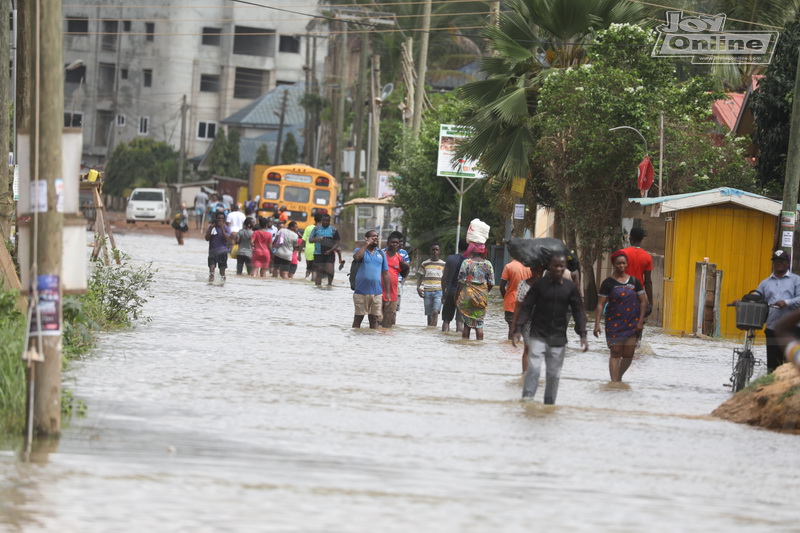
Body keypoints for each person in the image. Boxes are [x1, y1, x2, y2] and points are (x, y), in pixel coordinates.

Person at [513, 254, 588, 403]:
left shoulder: (570, 287)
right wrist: (517, 329)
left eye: (562, 266)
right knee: (533, 369)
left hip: (558, 338)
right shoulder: (539, 285)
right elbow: (526, 307)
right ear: (550, 267)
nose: (559, 269)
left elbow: (578, 310)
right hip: (538, 334)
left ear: (565, 267)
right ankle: (527, 400)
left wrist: (583, 334)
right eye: (555, 266)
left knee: (553, 374)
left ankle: (549, 403)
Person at [593, 250, 647, 382]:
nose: (621, 266)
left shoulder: (634, 281)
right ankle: (614, 382)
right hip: (614, 323)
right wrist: (597, 324)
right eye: (618, 263)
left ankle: (619, 377)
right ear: (613, 264)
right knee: (615, 353)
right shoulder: (608, 283)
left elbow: (643, 301)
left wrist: (640, 321)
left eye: (623, 263)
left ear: (627, 264)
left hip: (632, 323)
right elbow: (600, 304)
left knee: (628, 355)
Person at [756, 249, 800, 373]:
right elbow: (757, 297)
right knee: (772, 365)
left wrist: (786, 302)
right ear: (773, 263)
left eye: (781, 261)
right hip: (772, 328)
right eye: (776, 261)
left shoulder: (796, 280)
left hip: (793, 330)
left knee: (790, 365)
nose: (779, 263)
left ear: (787, 262)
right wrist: (744, 300)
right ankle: (772, 387)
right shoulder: (765, 283)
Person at [455, 242, 495, 340]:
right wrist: (484, 292)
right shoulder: (488, 264)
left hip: (467, 295)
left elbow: (460, 281)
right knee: (479, 325)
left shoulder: (466, 263)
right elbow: (491, 283)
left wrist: (456, 296)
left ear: (472, 250)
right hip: (481, 296)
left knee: (466, 326)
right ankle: (479, 350)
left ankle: (465, 348)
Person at [352, 230, 390, 329]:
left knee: (374, 319)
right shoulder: (359, 250)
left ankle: (373, 342)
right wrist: (366, 244)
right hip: (361, 292)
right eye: (373, 236)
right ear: (366, 238)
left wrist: (388, 293)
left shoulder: (381, 253)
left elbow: (385, 273)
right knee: (358, 318)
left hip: (377, 293)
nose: (375, 238)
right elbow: (356, 257)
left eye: (376, 236)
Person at [511, 266, 545, 373]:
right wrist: (514, 325)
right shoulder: (523, 284)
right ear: (531, 270)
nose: (538, 272)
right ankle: (524, 374)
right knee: (527, 347)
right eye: (536, 269)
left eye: (540, 270)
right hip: (527, 320)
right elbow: (518, 306)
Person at [620, 226, 653, 320]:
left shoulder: (622, 253)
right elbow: (648, 282)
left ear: (630, 238)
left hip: (622, 294)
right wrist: (650, 303)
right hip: (638, 296)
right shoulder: (647, 257)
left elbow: (616, 276)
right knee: (638, 324)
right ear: (641, 239)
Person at [381, 233, 409, 328]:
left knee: (389, 321)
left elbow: (404, 274)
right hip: (378, 292)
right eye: (393, 242)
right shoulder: (381, 255)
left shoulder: (400, 258)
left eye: (397, 243)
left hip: (393, 294)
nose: (395, 244)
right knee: (376, 320)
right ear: (387, 243)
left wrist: (407, 267)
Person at [500, 259, 532, 340]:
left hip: (511, 302)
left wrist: (506, 298)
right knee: (525, 330)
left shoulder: (509, 266)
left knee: (512, 328)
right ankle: (520, 350)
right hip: (525, 303)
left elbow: (502, 287)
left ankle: (510, 350)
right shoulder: (530, 267)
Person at [416, 243, 446, 327]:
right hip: (427, 291)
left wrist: (445, 291)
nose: (435, 251)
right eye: (433, 250)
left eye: (436, 250)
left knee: (435, 311)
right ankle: (430, 331)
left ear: (439, 252)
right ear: (430, 251)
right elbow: (420, 277)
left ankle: (433, 328)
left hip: (439, 291)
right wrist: (418, 288)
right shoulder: (425, 263)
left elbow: (445, 279)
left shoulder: (443, 264)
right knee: (429, 314)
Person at [441, 240, 467, 333]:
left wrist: (443, 293)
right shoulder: (469, 261)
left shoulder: (450, 259)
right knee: (460, 322)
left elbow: (444, 277)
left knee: (446, 320)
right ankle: (457, 343)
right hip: (464, 294)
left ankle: (444, 340)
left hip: (450, 292)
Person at [309, 214, 340, 286]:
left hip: (330, 253)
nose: (325, 222)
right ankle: (318, 287)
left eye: (327, 221)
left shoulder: (334, 229)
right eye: (324, 220)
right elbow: (310, 240)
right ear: (321, 221)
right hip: (318, 253)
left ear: (330, 221)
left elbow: (337, 242)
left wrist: (331, 250)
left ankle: (329, 285)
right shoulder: (316, 229)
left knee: (330, 271)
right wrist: (317, 239)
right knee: (319, 271)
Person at [205, 211, 234, 282]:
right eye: (218, 218)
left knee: (222, 272)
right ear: (216, 218)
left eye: (222, 218)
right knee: (211, 270)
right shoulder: (211, 227)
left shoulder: (226, 228)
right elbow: (207, 238)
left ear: (224, 220)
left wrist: (222, 228)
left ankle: (222, 284)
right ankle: (211, 283)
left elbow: (227, 239)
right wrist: (211, 228)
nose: (220, 220)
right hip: (212, 251)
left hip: (222, 252)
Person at [301, 214, 321, 280]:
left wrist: (299, 254)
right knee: (315, 270)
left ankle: (306, 279)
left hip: (308, 251)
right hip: (317, 251)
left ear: (314, 219)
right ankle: (313, 282)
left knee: (308, 268)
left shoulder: (308, 228)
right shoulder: (322, 229)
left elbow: (303, 241)